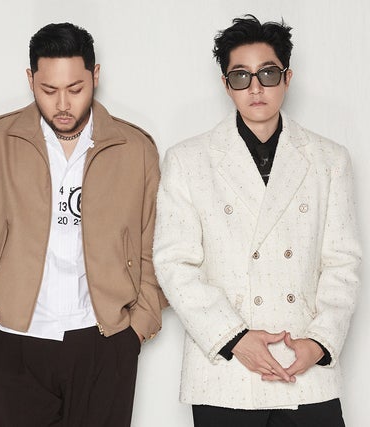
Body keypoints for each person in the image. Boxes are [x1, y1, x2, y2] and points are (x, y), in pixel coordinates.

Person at [0, 22, 166, 427]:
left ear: (95, 76)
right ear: (30, 79)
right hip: (12, 341)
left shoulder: (135, 149)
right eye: (48, 90)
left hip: (106, 341)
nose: (62, 103)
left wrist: (137, 328)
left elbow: (154, 246)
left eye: (75, 88)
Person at [153, 15, 361, 426]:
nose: (255, 88)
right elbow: (174, 263)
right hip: (226, 370)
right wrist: (233, 338)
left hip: (305, 364)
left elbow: (343, 263)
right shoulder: (188, 160)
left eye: (267, 73)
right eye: (241, 76)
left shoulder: (329, 160)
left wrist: (319, 343)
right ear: (225, 84)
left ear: (287, 77)